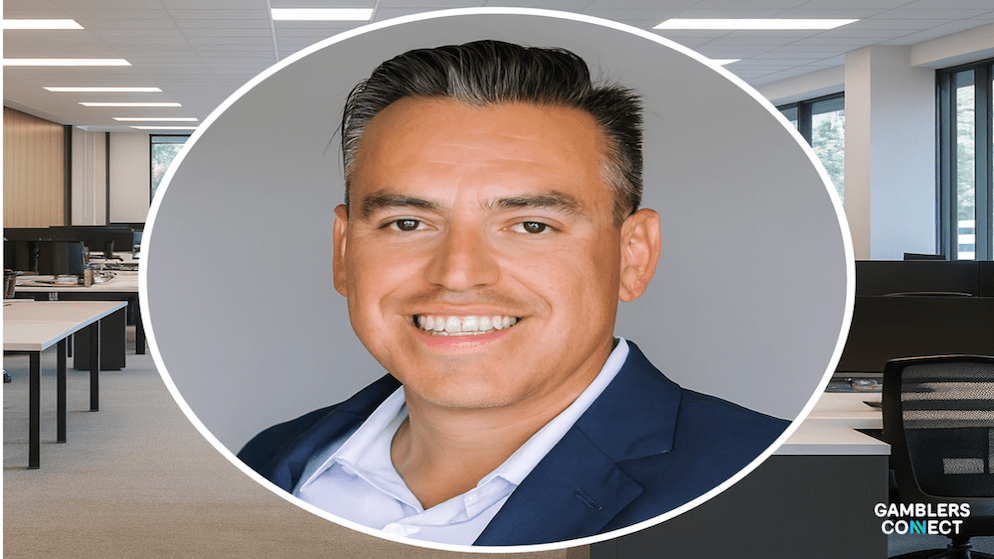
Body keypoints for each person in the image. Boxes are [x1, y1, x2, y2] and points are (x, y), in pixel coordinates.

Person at [238, 40, 788, 547]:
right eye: (407, 223)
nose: (458, 274)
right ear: (344, 252)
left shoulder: (770, 483)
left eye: (531, 226)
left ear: (633, 256)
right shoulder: (268, 459)